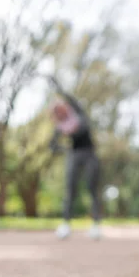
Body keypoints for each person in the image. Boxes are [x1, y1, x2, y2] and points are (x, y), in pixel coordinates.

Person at [49, 78, 102, 240]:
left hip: (90, 153)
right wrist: (65, 149)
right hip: (74, 154)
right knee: (70, 189)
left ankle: (95, 225)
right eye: (56, 112)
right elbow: (52, 145)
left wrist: (57, 86)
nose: (60, 113)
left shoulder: (77, 112)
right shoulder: (60, 126)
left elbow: (70, 98)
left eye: (60, 109)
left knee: (92, 188)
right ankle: (66, 224)